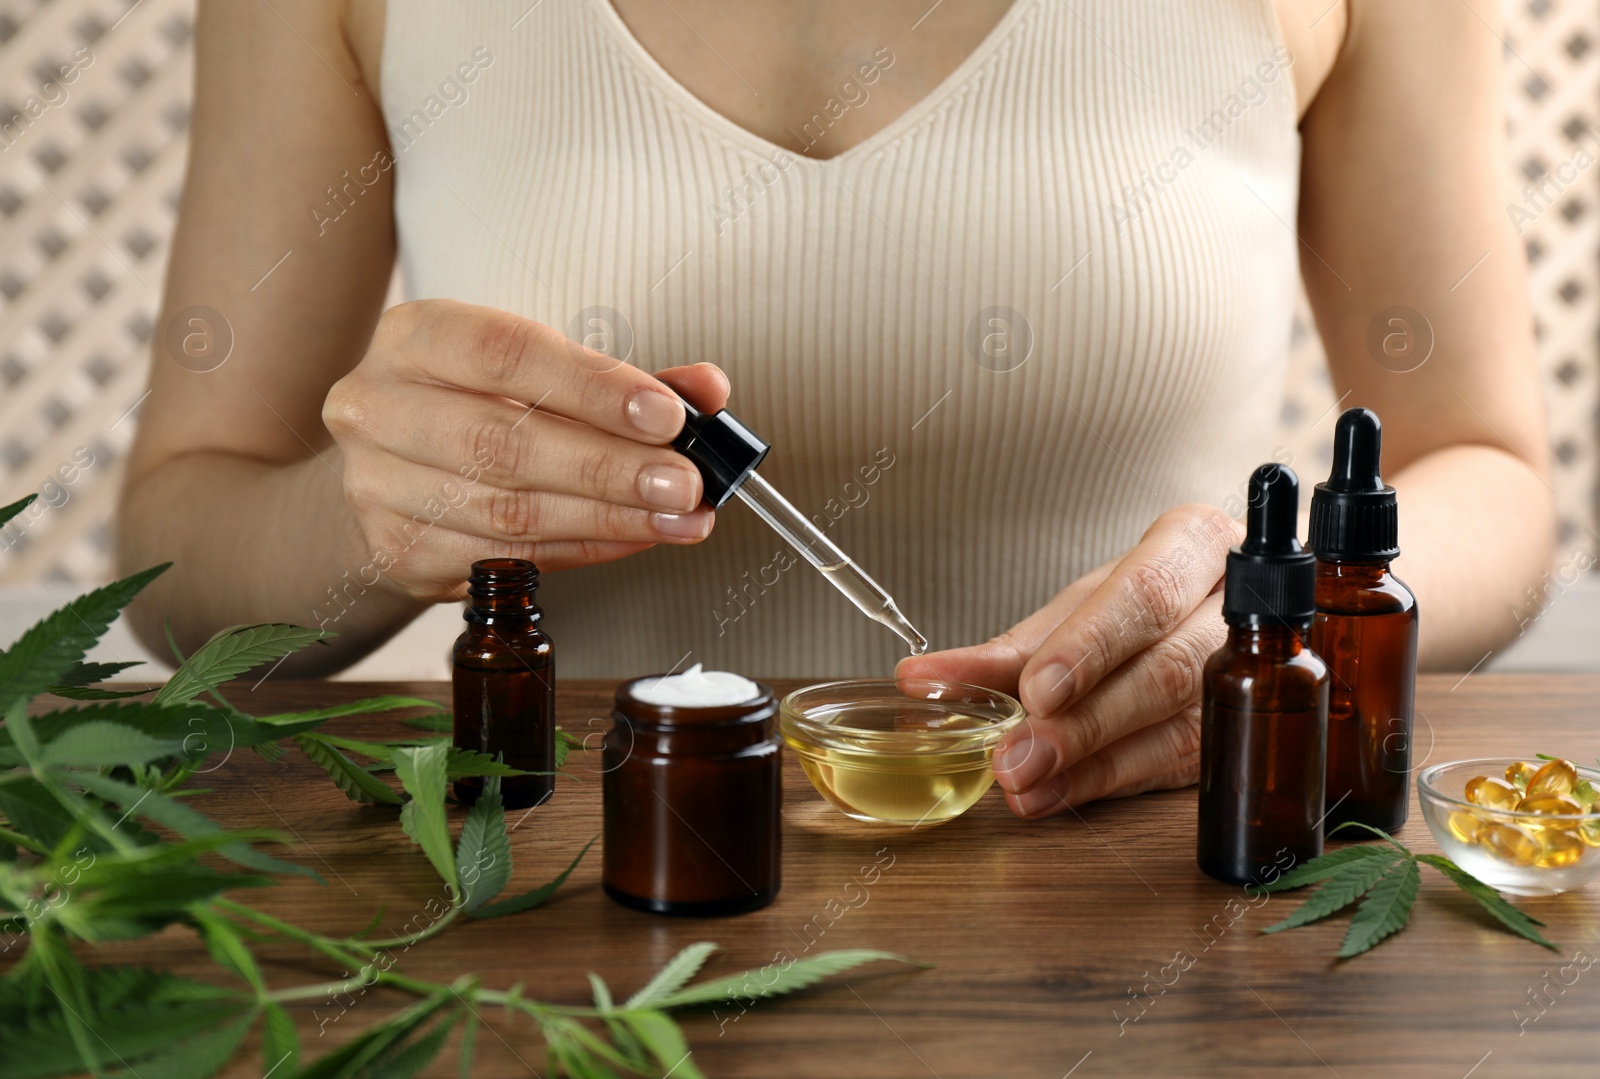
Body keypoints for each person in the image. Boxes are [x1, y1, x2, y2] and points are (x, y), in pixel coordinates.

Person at [120, 0, 1553, 820]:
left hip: (1151, 882)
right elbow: (185, 557)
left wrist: (1275, 608)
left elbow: (1488, 473)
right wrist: (367, 520)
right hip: (582, 912)